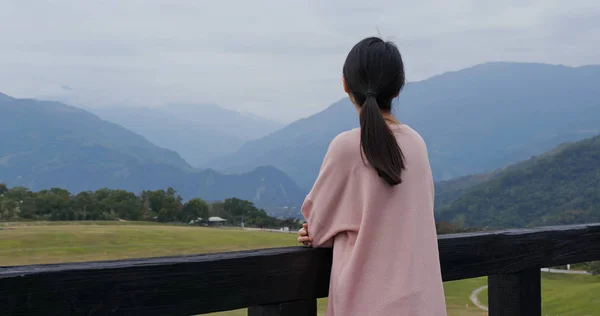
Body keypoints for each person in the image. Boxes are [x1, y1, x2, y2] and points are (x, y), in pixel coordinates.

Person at [297, 37, 447, 315]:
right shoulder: (417, 144)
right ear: (398, 88)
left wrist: (316, 230)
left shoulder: (345, 147)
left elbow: (316, 226)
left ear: (345, 84)